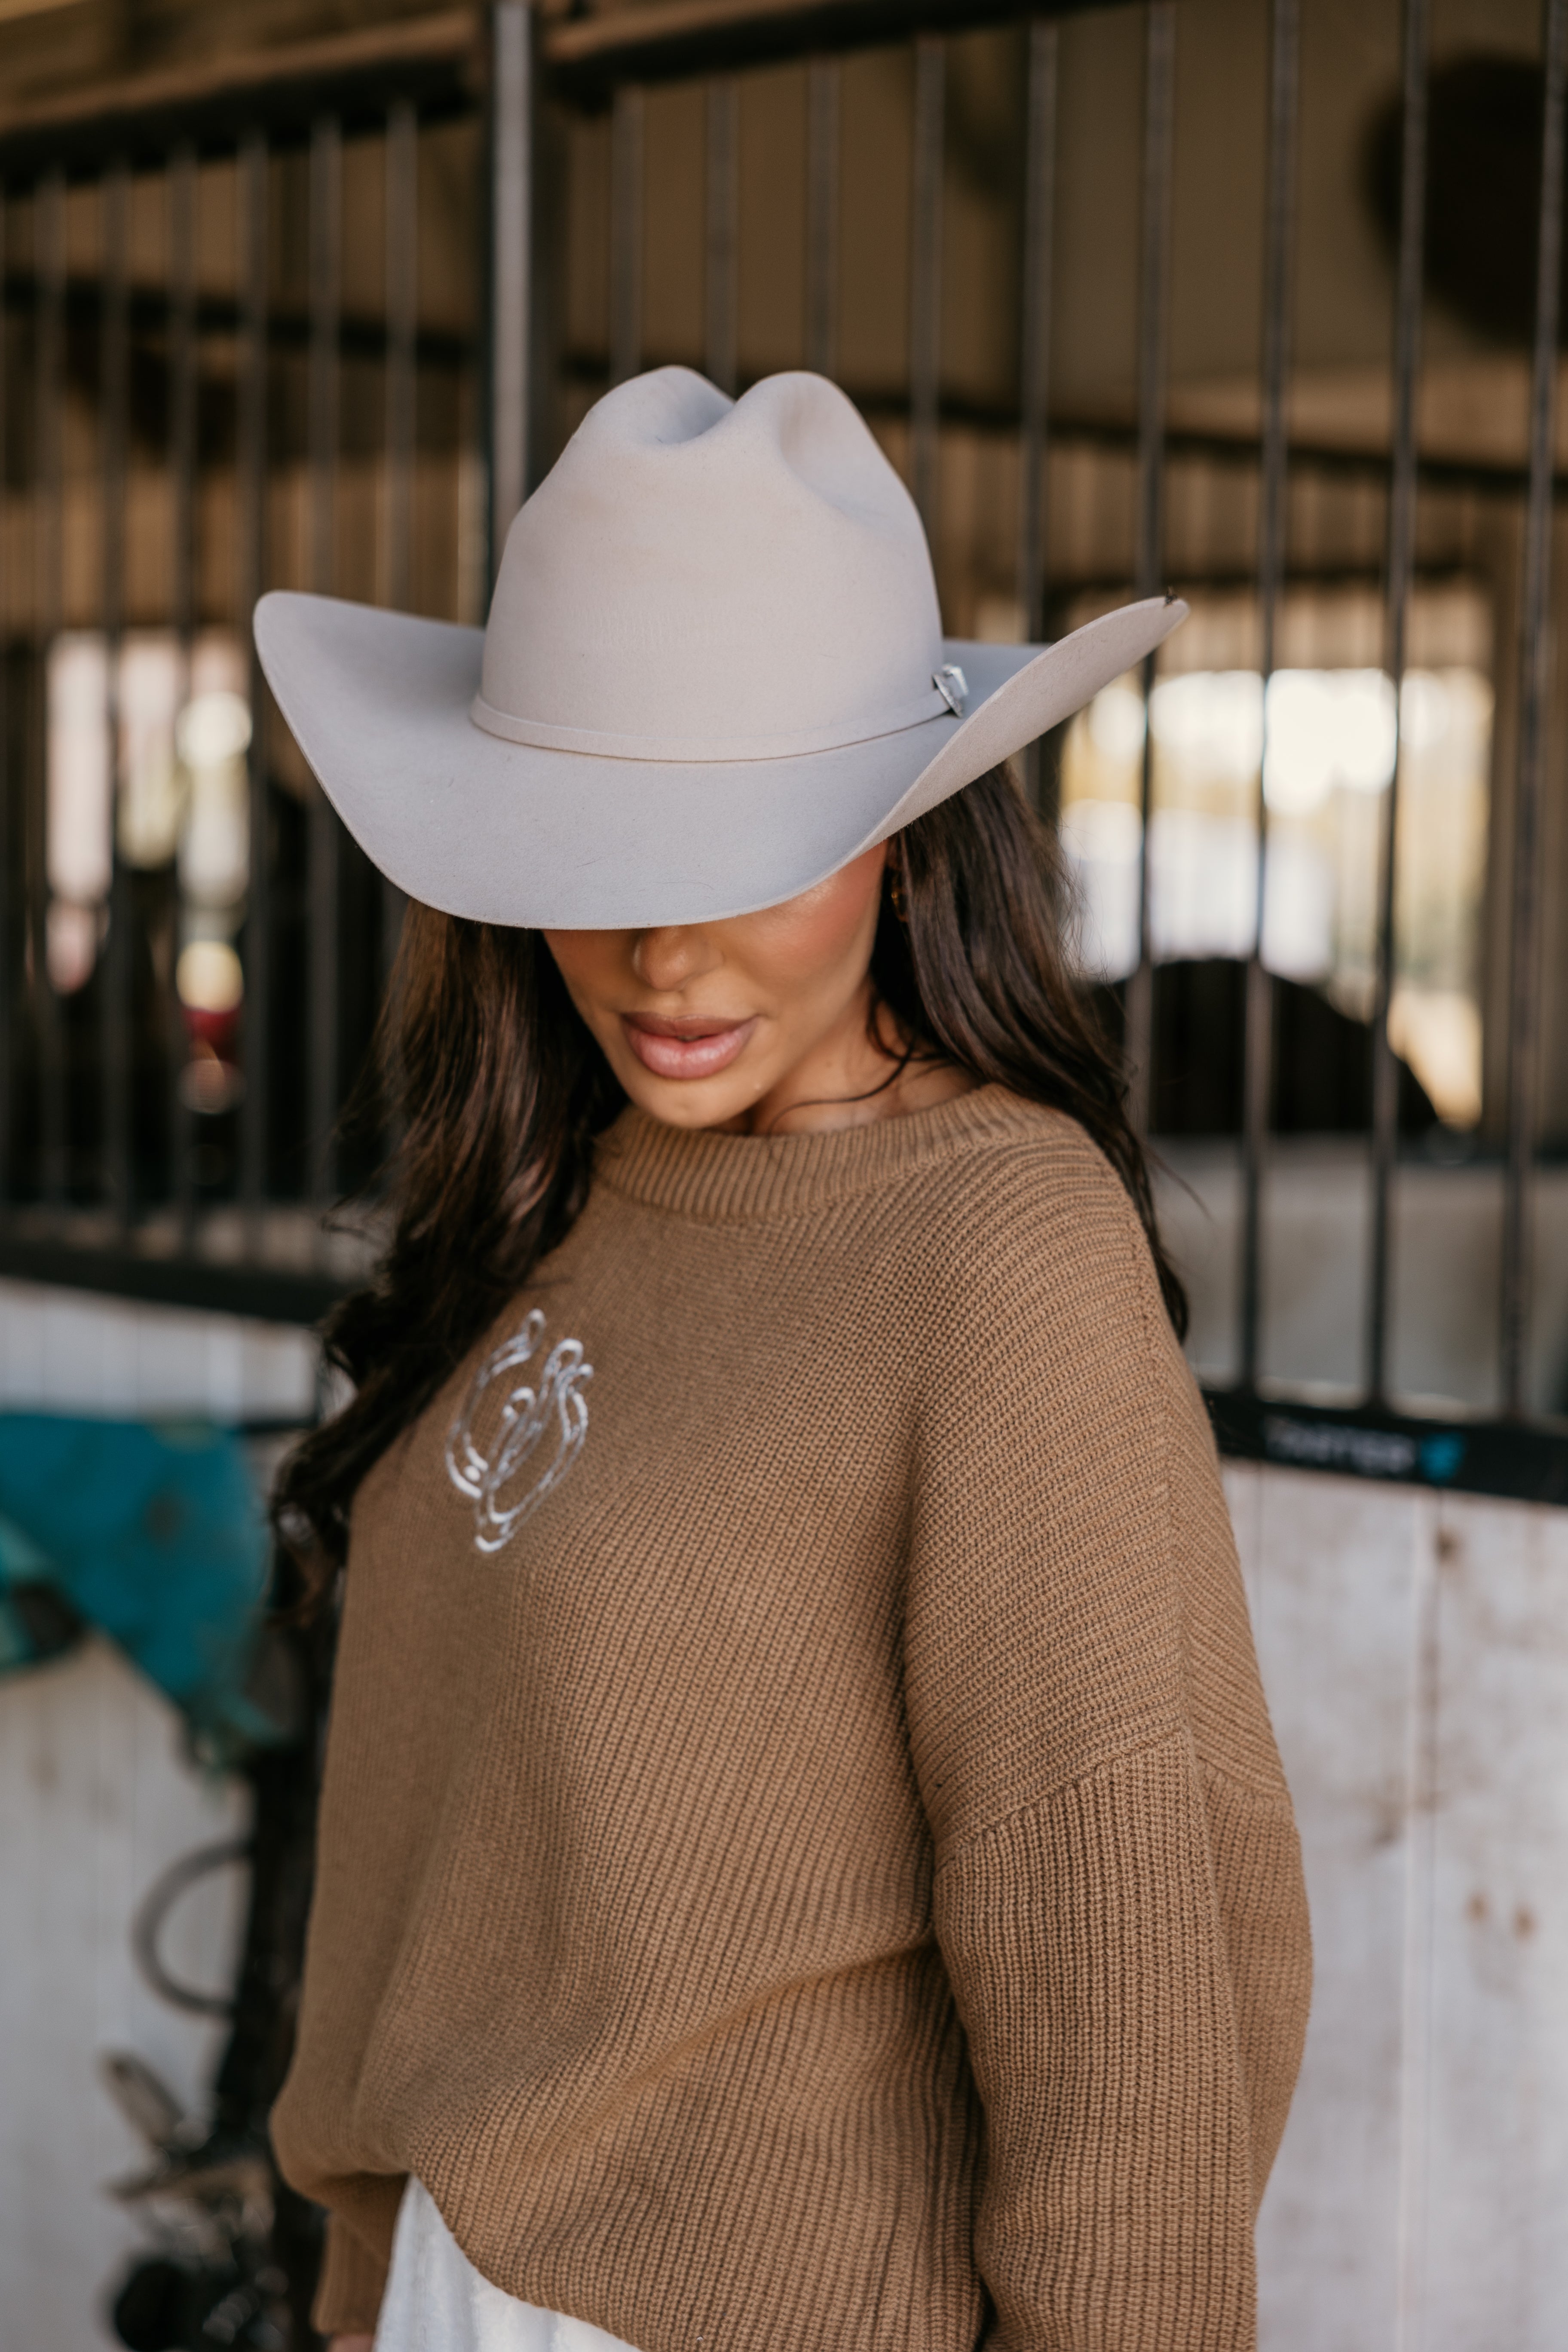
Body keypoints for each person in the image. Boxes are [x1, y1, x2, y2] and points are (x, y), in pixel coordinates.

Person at [257, 368, 1311, 2352]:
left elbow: (1122, 1932)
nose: (663, 952)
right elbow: (446, 1822)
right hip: (452, 2296)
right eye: (594, 844)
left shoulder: (997, 1250)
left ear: (906, 842)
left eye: (747, 847)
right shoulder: (560, 1186)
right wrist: (357, 2273)